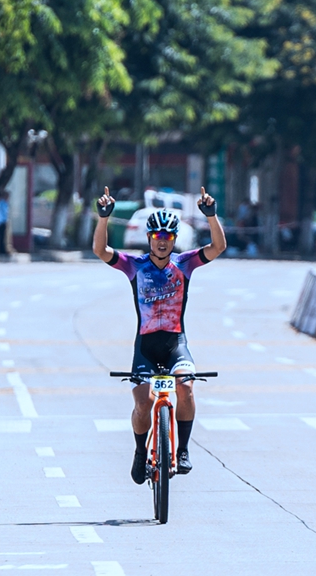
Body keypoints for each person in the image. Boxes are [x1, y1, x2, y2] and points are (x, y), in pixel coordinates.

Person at [93, 185, 226, 483]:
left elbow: (218, 248)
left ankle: (182, 450)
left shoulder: (185, 263)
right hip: (146, 346)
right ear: (149, 238)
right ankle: (141, 452)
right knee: (144, 404)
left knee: (187, 388)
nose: (162, 242)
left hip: (175, 343)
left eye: (168, 237)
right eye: (157, 237)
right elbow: (101, 251)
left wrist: (212, 216)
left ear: (174, 240)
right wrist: (103, 218)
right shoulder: (135, 266)